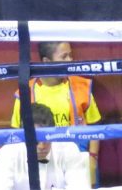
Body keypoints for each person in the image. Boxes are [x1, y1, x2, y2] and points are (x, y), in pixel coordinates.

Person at [10, 42, 101, 182]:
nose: (70, 60)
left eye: (70, 55)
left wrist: (92, 159)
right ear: (47, 61)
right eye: (64, 56)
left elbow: (95, 128)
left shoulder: (82, 86)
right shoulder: (25, 93)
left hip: (78, 159)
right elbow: (16, 135)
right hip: (41, 162)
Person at [0, 103, 91, 190]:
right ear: (23, 135)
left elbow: (79, 187)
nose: (42, 146)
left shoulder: (69, 150)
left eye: (46, 138)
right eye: (35, 140)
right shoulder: (6, 155)